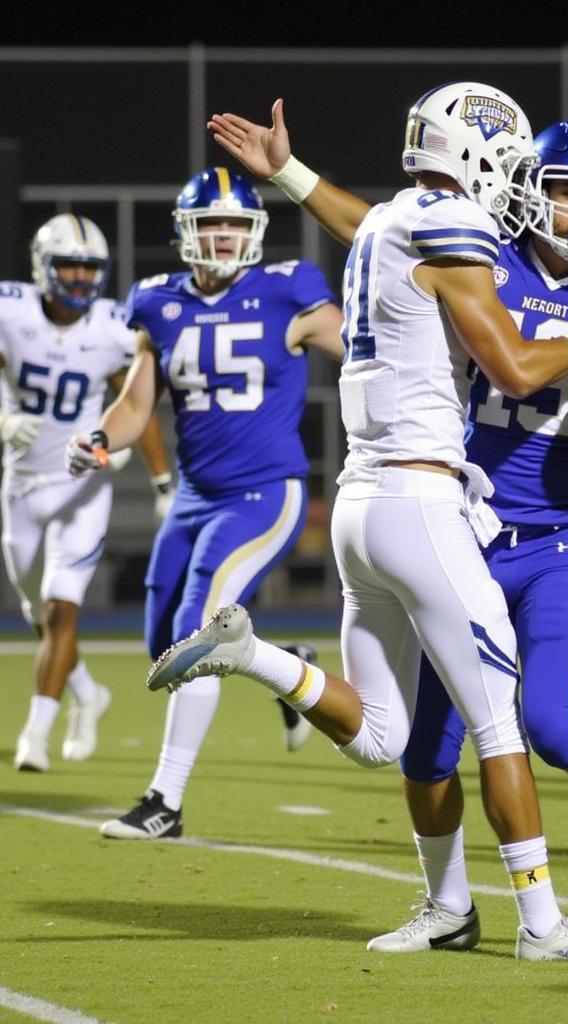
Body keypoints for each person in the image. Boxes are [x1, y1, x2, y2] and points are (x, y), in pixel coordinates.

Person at [154, 82, 568, 962]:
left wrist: (291, 174)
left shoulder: (392, 223)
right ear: (475, 159)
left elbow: (359, 225)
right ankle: (542, 927)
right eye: (508, 163)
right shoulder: (453, 226)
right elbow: (512, 369)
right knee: (499, 728)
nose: (518, 183)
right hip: (426, 503)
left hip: (359, 503)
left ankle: (256, 656)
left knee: (389, 738)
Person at [325, 117, 568, 951]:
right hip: (459, 528)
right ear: (531, 187)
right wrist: (289, 174)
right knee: (427, 748)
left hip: (561, 534)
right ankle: (448, 909)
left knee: (550, 724)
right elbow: (374, 229)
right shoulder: (479, 248)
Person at [66, 167, 344, 838]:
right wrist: (102, 436)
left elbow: (362, 353)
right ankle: (292, 668)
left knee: (196, 634)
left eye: (234, 225)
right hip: (195, 497)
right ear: (186, 233)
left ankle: (165, 803)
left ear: (254, 232)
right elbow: (137, 401)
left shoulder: (288, 290)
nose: (222, 238)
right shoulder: (158, 301)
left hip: (262, 492)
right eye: (210, 225)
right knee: (164, 644)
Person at [2, 213, 173, 772]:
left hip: (82, 484)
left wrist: (160, 479)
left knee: (58, 612)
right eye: (69, 266)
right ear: (42, 267)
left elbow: (137, 403)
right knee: (37, 610)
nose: (79, 278)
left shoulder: (112, 325)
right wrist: (3, 418)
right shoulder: (12, 309)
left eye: (89, 268)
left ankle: (36, 734)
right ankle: (87, 693)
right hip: (21, 484)